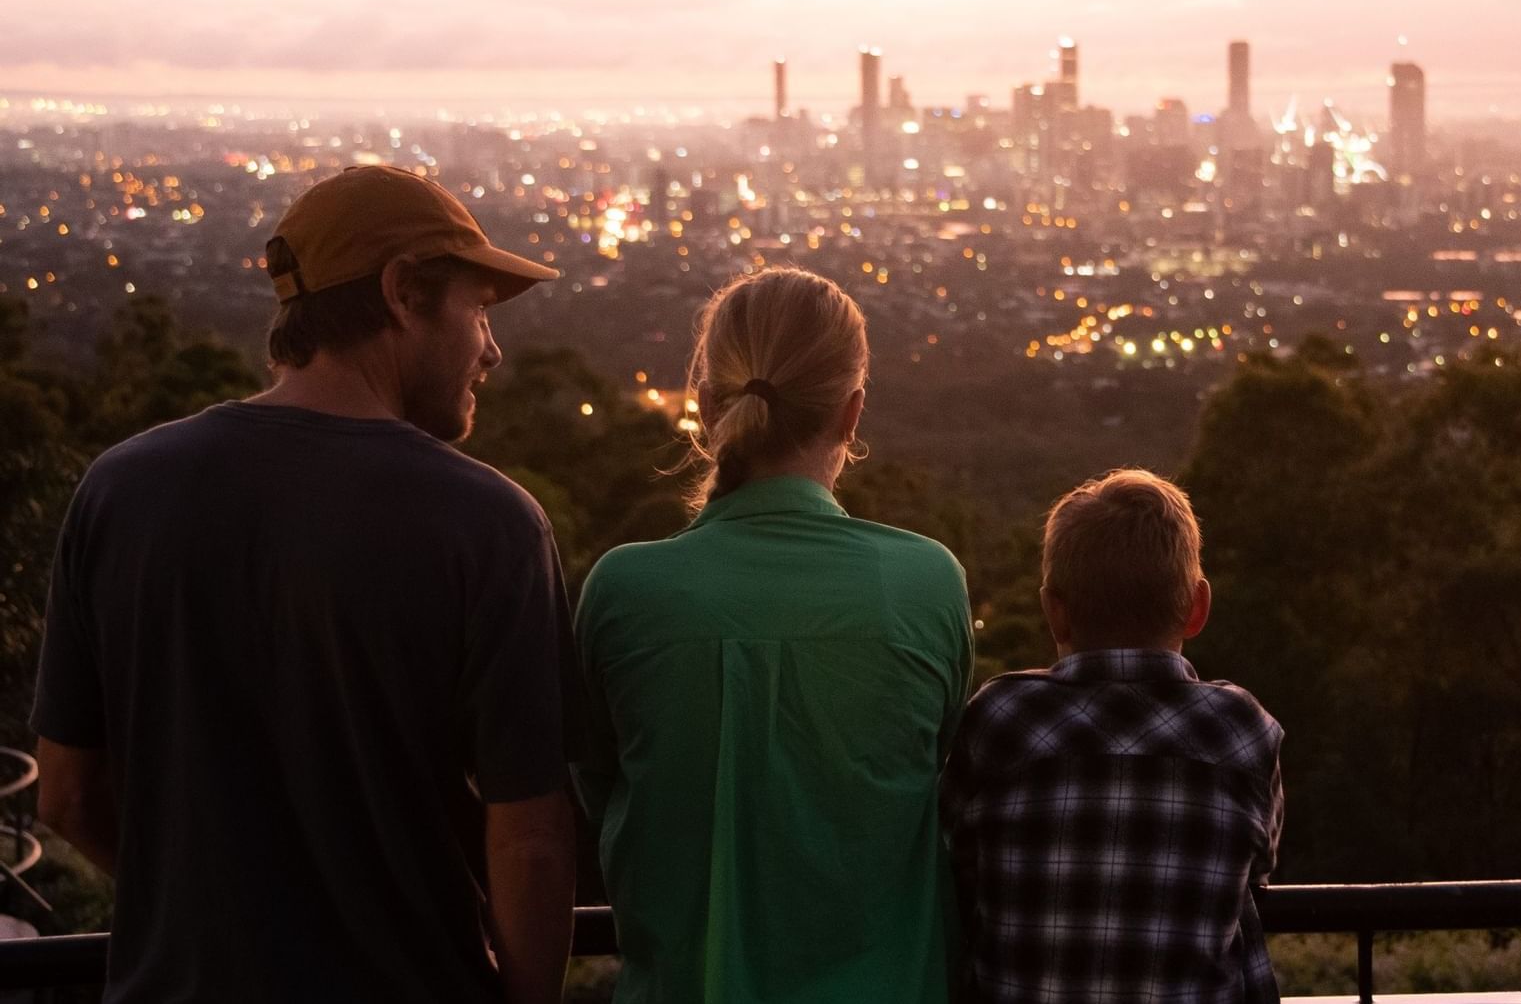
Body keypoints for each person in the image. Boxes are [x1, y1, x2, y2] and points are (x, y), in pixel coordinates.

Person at [32, 165, 577, 1004]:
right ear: (403, 293)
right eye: (478, 309)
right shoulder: (489, 525)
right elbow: (530, 839)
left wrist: (195, 907)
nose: (492, 348)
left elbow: (65, 796)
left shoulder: (119, 489)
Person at [573, 266, 972, 1004]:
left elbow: (603, 789)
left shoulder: (624, 592)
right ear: (852, 414)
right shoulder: (927, 585)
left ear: (705, 404)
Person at [941, 469, 1286, 1004]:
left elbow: (957, 859)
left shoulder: (1000, 721)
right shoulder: (1241, 731)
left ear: (1055, 612)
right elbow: (1259, 867)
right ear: (1197, 607)